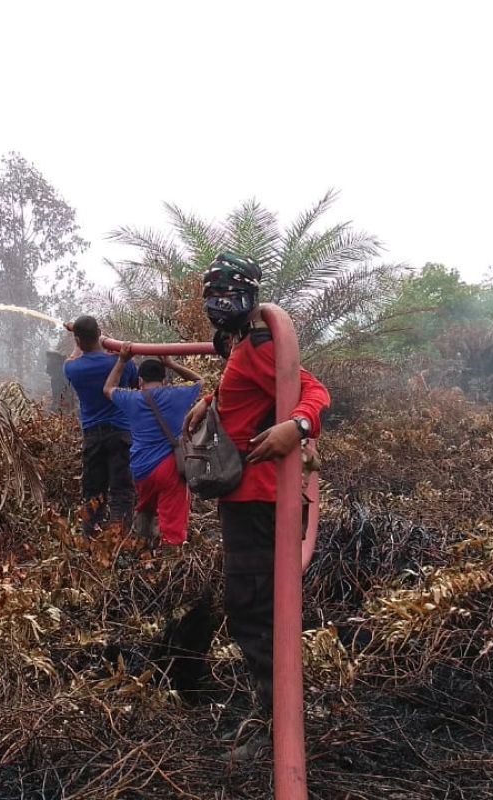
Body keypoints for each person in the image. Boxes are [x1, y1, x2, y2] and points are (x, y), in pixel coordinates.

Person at [182, 251, 330, 758]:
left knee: (254, 611)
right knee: (255, 608)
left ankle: (280, 731)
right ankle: (279, 716)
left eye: (228, 292)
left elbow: (313, 390)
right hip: (246, 497)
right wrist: (213, 400)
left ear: (248, 296)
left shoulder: (261, 342)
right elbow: (250, 388)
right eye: (211, 293)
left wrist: (299, 426)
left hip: (258, 499)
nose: (218, 302)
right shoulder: (243, 344)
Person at [102, 346, 204, 546]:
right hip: (170, 468)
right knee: (172, 520)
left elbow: (108, 389)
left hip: (141, 468)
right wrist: (171, 363)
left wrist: (122, 360)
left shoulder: (132, 399)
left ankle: (142, 549)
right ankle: (170, 558)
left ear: (140, 382)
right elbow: (200, 381)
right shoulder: (178, 395)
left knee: (145, 508)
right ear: (165, 380)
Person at [64, 315, 138, 537]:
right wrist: (119, 355)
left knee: (93, 492)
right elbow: (134, 385)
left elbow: (74, 356)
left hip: (93, 436)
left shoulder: (73, 369)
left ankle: (90, 539)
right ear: (100, 332)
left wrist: (76, 338)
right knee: (122, 490)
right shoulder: (123, 363)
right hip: (121, 434)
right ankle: (120, 540)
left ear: (78, 339)